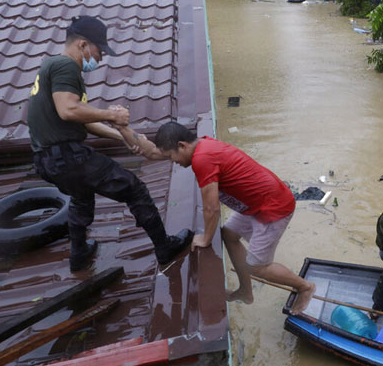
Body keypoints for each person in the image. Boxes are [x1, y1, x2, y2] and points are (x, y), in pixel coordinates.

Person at [26, 15, 193, 272]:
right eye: (99, 50)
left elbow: (83, 121)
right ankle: (164, 247)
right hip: (66, 156)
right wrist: (111, 114)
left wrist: (121, 135)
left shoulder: (51, 69)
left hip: (47, 161)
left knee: (82, 196)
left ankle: (79, 254)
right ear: (83, 44)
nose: (101, 57)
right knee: (134, 188)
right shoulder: (65, 66)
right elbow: (68, 110)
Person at [116, 121, 316, 314]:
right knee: (228, 235)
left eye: (171, 157)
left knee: (258, 267)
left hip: (273, 208)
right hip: (256, 204)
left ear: (181, 145)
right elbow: (152, 151)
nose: (173, 162)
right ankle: (246, 292)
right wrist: (122, 127)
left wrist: (205, 239)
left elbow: (211, 208)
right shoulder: (201, 144)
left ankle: (305, 287)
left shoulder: (202, 159)